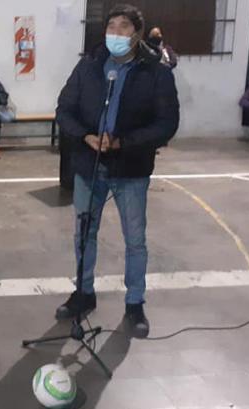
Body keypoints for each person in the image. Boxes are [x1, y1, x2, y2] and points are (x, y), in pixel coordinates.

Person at [55, 4, 179, 338]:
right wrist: (86, 136)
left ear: (138, 33)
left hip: (130, 168)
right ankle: (83, 293)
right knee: (84, 233)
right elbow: (64, 108)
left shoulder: (156, 72)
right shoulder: (90, 66)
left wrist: (123, 142)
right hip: (90, 163)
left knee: (135, 239)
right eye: (111, 26)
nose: (115, 33)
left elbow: (167, 124)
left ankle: (135, 302)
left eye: (123, 27)